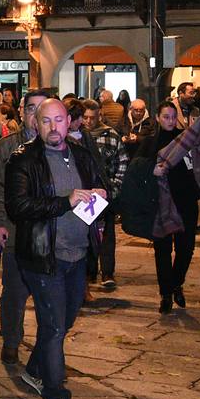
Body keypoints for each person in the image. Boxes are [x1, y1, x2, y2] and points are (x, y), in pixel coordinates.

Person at [4, 99, 106, 399]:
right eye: (45, 121)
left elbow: (104, 189)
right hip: (43, 256)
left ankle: (35, 369)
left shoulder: (82, 155)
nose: (53, 127)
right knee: (54, 325)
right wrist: (65, 201)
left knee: (67, 319)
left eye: (58, 120)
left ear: (68, 122)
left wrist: (102, 194)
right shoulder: (23, 159)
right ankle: (56, 396)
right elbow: (18, 206)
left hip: (78, 255)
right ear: (36, 123)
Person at [0, 88, 50, 365]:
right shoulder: (7, 148)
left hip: (52, 235)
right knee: (15, 292)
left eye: (42, 109)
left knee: (52, 296)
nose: (36, 115)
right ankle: (11, 339)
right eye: (31, 108)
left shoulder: (63, 146)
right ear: (22, 112)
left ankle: (49, 347)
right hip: (15, 232)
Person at [143, 103, 200, 313]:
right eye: (165, 117)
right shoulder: (150, 143)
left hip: (186, 200)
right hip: (161, 203)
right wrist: (152, 169)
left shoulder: (186, 137)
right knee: (162, 250)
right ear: (158, 117)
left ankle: (176, 282)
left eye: (172, 116)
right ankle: (166, 294)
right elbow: (138, 167)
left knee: (186, 247)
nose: (170, 120)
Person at [82, 99, 126, 291]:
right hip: (84, 194)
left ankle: (107, 272)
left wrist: (114, 188)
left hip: (106, 192)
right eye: (85, 117)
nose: (89, 121)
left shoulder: (111, 135)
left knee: (107, 234)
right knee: (86, 233)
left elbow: (122, 162)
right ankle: (90, 271)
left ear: (100, 115)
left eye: (93, 117)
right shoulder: (76, 135)